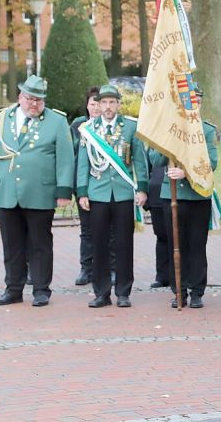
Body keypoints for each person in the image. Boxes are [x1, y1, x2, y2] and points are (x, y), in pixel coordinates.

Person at [0, 75, 74, 307]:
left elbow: (65, 159)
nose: (34, 105)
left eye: (39, 100)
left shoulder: (57, 121)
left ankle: (41, 289)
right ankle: (13, 289)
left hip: (40, 192)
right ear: (20, 97)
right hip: (8, 192)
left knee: (40, 244)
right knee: (12, 245)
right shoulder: (1, 119)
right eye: (30, 99)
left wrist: (63, 190)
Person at [76, 84, 148, 308]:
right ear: (98, 104)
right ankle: (101, 292)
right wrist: (82, 191)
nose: (108, 107)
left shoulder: (130, 127)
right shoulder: (88, 128)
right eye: (104, 102)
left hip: (123, 193)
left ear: (118, 104)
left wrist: (142, 188)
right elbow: (82, 162)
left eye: (112, 102)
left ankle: (124, 292)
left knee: (124, 243)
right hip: (98, 193)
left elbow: (139, 160)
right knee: (99, 244)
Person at [148, 83, 218, 309]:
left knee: (197, 244)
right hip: (172, 196)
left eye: (197, 99)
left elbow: (212, 163)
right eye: (189, 99)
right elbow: (156, 161)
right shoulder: (170, 128)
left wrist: (186, 173)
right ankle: (179, 289)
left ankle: (197, 291)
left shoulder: (206, 130)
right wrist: (164, 139)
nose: (193, 103)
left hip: (197, 196)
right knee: (175, 244)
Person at [70, 87, 101, 286]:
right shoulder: (78, 125)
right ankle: (86, 267)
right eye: (92, 104)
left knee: (110, 229)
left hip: (104, 183)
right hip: (83, 182)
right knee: (87, 228)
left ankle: (110, 267)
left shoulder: (111, 126)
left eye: (99, 103)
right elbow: (71, 149)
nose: (96, 107)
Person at [145, 160, 170, 288]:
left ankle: (181, 275)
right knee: (161, 236)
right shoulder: (153, 145)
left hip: (175, 192)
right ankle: (162, 276)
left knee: (179, 237)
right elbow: (146, 167)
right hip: (156, 195)